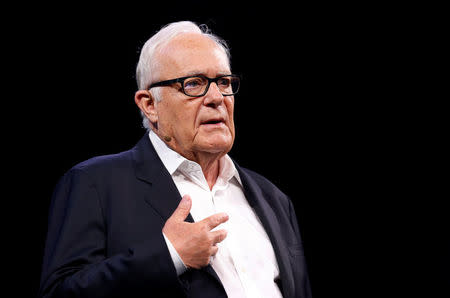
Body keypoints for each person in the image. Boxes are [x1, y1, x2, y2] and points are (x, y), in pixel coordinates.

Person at [38, 21, 311, 298]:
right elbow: (60, 293)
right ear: (149, 105)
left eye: (224, 82)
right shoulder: (95, 184)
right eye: (194, 84)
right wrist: (170, 255)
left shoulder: (274, 199)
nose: (217, 98)